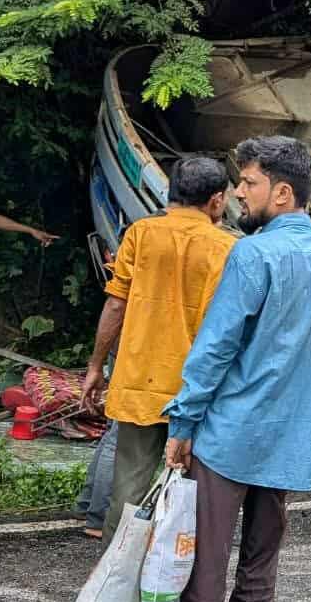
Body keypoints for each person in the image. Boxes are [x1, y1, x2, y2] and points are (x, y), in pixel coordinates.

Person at [134, 136, 311, 602]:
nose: (238, 191)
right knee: (260, 563)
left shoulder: (252, 255)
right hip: (291, 444)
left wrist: (183, 423)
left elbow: (215, 351)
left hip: (231, 436)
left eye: (249, 182)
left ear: (282, 193)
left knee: (206, 565)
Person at [80, 156, 235, 545]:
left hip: (138, 380)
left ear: (171, 193)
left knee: (129, 487)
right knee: (193, 489)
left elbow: (116, 304)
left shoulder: (141, 234)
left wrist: (96, 365)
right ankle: (177, 572)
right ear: (217, 201)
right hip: (197, 389)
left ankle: (114, 572)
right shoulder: (227, 247)